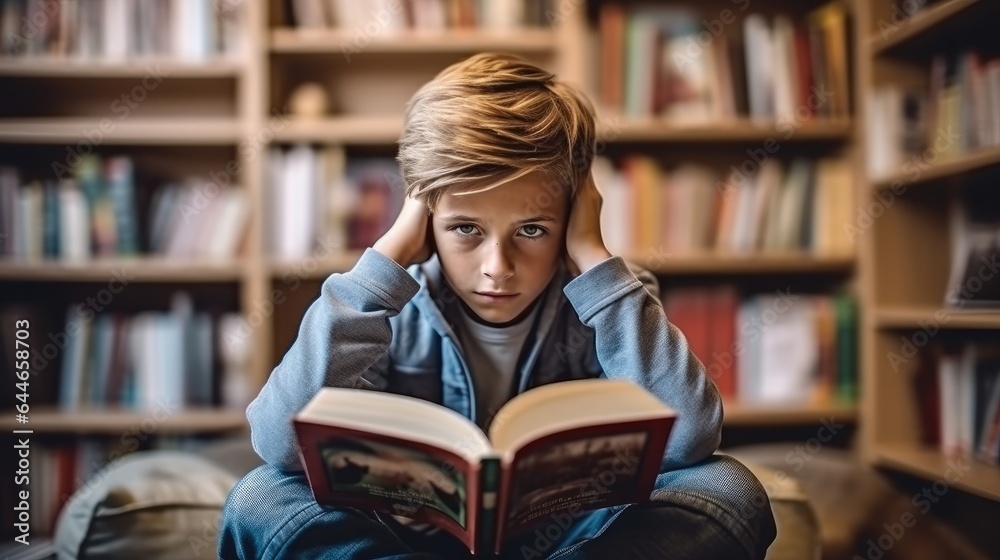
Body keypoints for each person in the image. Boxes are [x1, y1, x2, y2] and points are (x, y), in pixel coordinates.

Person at [219, 53, 776, 560]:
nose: (497, 267)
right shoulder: (384, 303)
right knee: (260, 498)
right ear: (423, 213)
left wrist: (593, 256)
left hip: (568, 543)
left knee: (727, 490)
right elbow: (279, 444)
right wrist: (385, 262)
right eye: (465, 228)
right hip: (408, 543)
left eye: (532, 229)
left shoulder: (611, 297)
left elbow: (690, 440)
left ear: (576, 213)